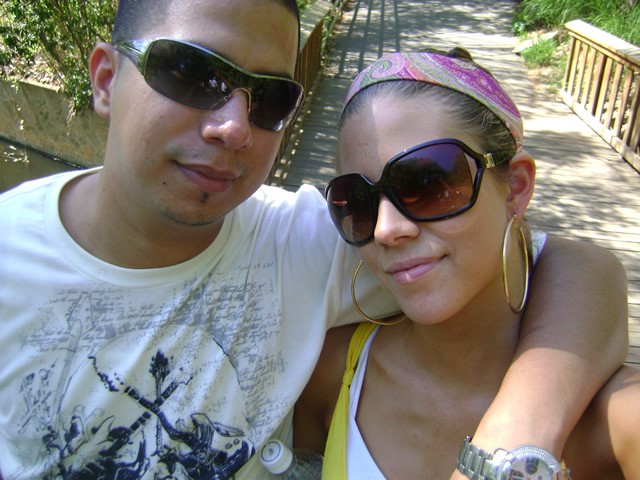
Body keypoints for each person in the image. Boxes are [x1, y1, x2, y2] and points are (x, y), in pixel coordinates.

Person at [0, 0, 629, 477]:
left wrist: (513, 445)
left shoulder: (300, 243)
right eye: (192, 73)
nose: (233, 126)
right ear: (105, 80)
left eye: (270, 98)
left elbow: (569, 264)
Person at [293, 48, 640, 479]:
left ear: (516, 188)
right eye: (358, 201)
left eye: (428, 182)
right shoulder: (332, 372)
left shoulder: (619, 421)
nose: (386, 229)